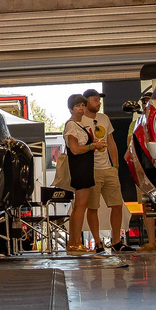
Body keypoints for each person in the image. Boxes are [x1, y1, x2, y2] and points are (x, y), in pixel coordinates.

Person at [81, 89, 131, 253]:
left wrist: (115, 166)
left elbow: (111, 143)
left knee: (117, 205)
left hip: (108, 168)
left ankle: (116, 241)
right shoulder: (79, 120)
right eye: (95, 100)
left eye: (99, 100)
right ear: (86, 101)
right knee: (93, 207)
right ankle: (97, 242)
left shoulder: (104, 118)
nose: (98, 102)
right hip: (91, 169)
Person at [62, 94, 98, 255]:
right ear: (70, 108)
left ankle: (74, 242)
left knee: (81, 205)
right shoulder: (71, 126)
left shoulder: (79, 125)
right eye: (77, 106)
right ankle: (75, 242)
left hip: (85, 167)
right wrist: (92, 146)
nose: (81, 108)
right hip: (79, 168)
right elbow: (75, 149)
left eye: (83, 105)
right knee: (80, 206)